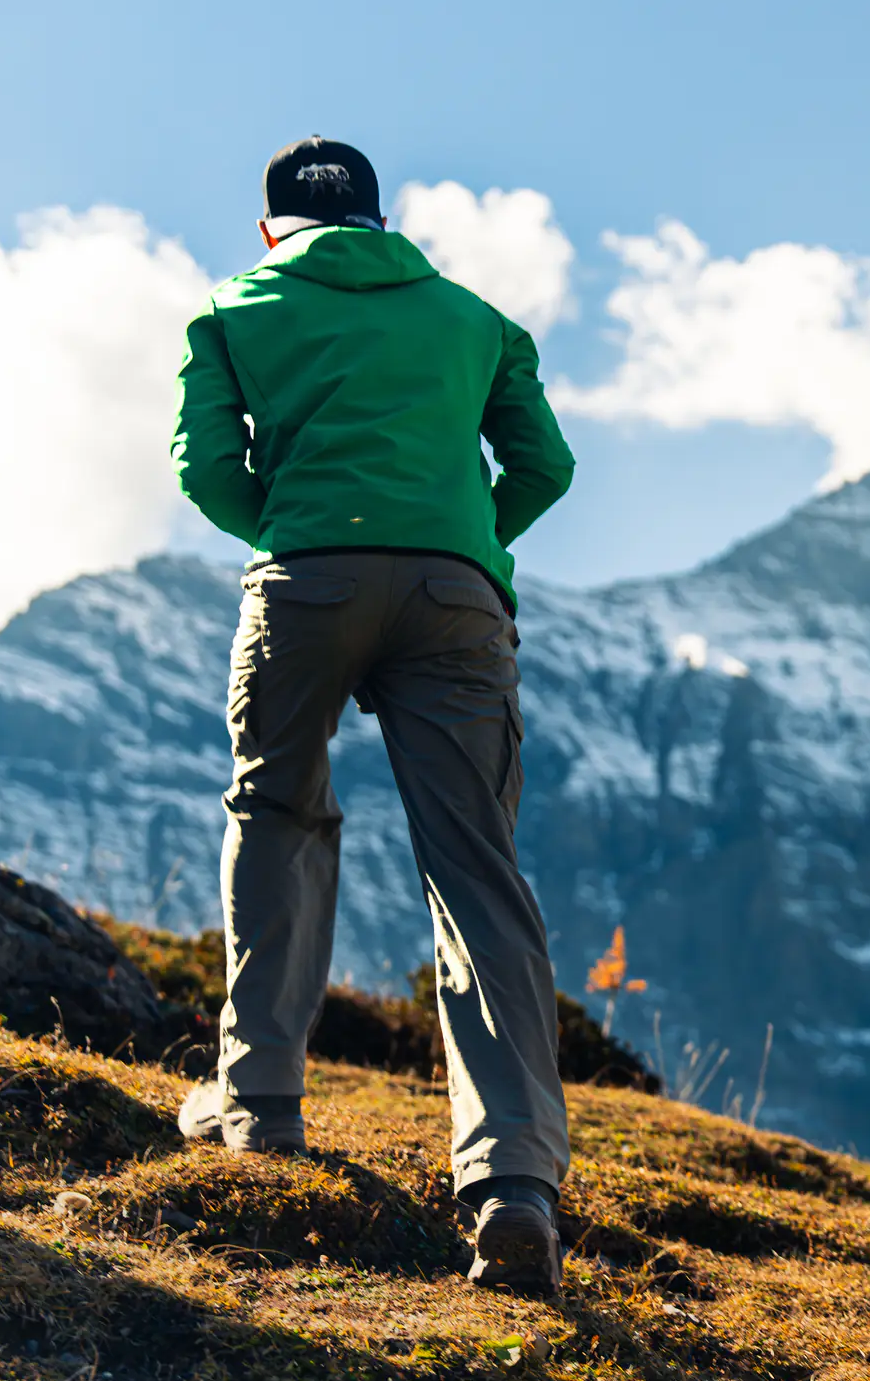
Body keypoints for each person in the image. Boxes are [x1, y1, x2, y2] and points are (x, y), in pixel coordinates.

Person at [169, 136, 576, 1293]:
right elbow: (543, 464)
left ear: (271, 230)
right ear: (382, 221)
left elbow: (204, 465)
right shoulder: (471, 316)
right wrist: (469, 540)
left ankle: (259, 1110)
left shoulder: (233, 308)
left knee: (278, 813)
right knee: (474, 870)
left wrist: (287, 526)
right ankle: (512, 1182)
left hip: (305, 581)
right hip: (455, 594)